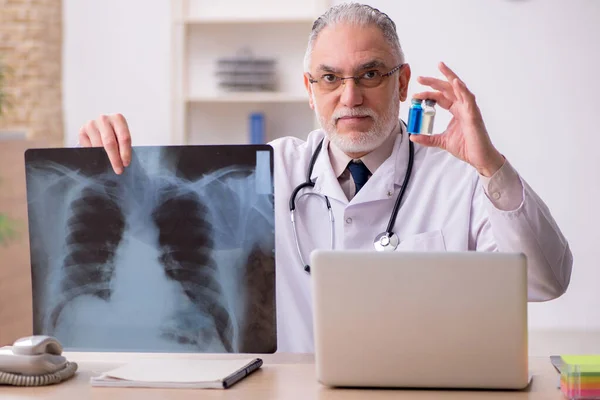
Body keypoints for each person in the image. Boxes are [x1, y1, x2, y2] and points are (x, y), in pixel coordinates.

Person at [77, 3, 572, 352]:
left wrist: (492, 166)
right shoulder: (272, 169)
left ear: (402, 83)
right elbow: (165, 221)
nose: (350, 95)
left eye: (370, 74)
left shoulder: (462, 176)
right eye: (330, 78)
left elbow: (547, 280)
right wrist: (108, 167)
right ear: (310, 90)